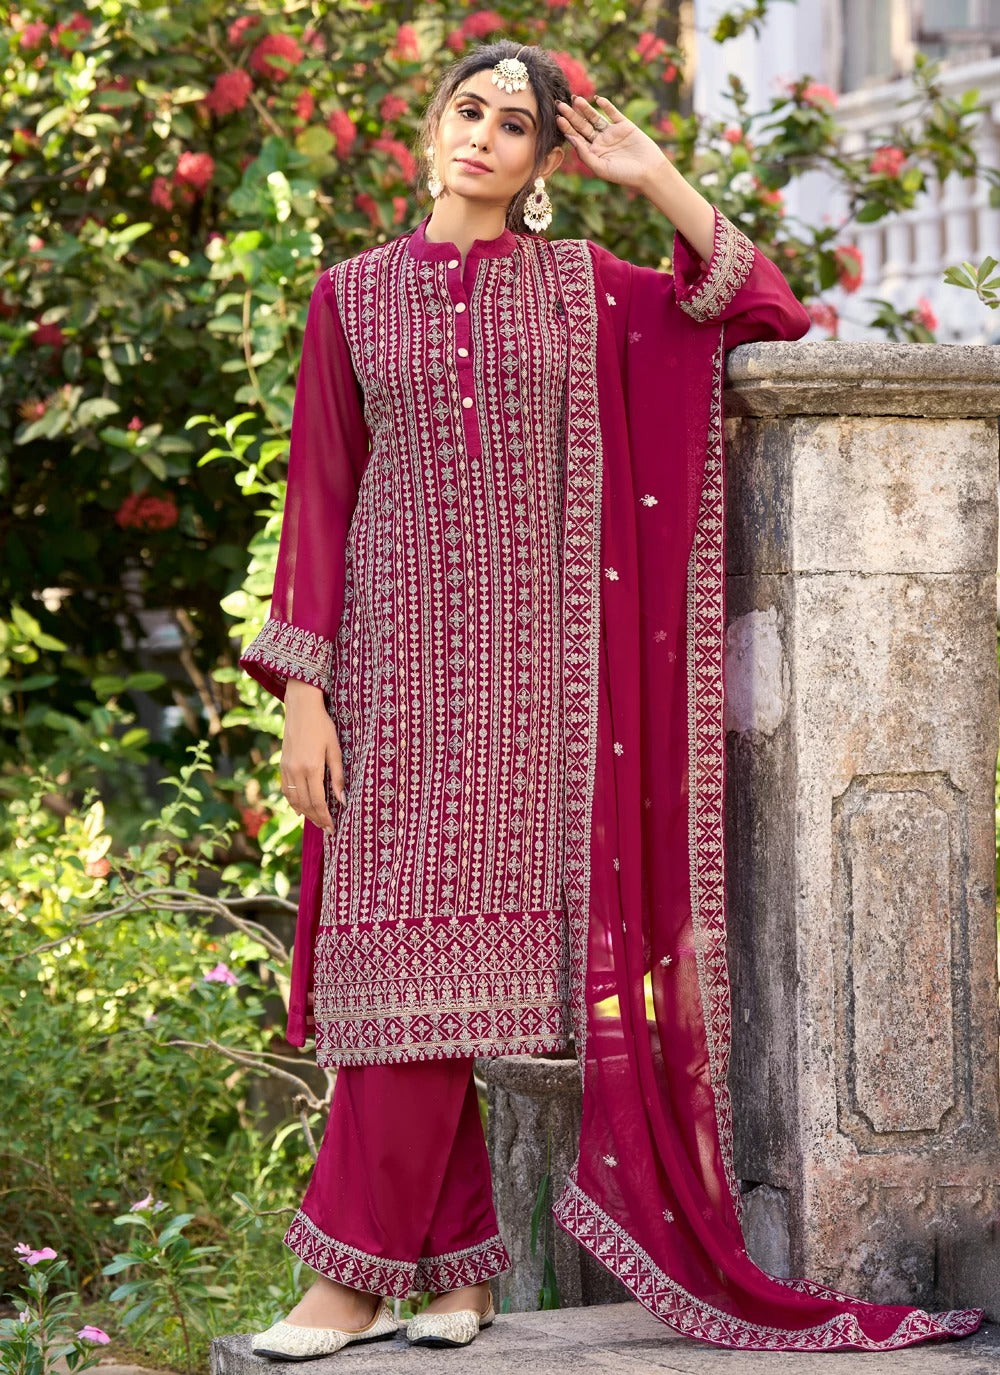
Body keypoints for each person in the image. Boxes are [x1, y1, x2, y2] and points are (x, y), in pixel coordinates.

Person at [241, 40, 983, 1358]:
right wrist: (304, 692)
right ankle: (448, 1273)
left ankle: (359, 1286)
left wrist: (653, 178)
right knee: (392, 963)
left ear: (542, 160)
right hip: (390, 674)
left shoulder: (585, 287)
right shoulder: (348, 295)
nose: (482, 136)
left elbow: (765, 311)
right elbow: (321, 491)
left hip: (540, 690)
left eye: (513, 125)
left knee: (452, 971)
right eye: (468, 110)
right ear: (432, 125)